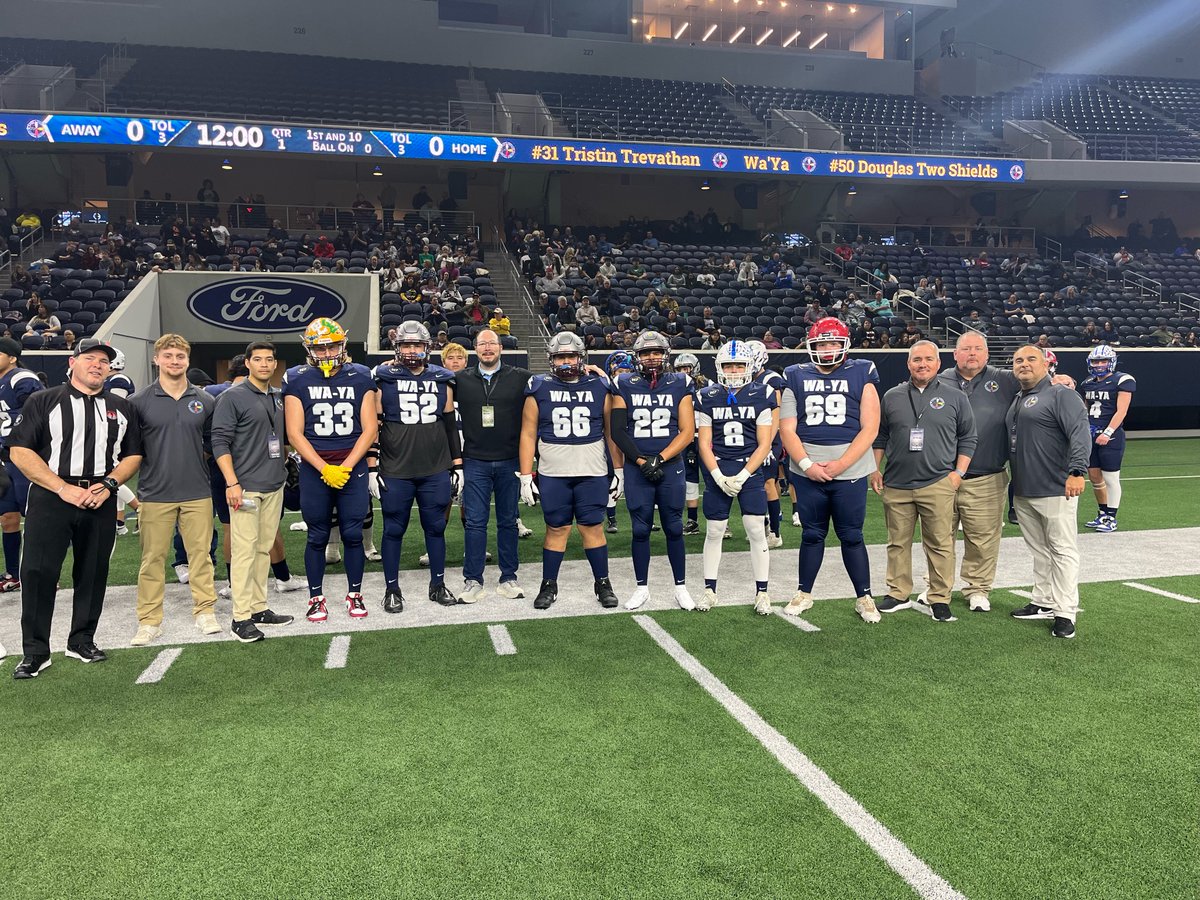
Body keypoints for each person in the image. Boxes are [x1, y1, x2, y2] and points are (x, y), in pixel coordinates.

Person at [9, 339, 143, 679]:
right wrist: (62, 488)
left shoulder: (122, 407)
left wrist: (109, 485)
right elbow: (20, 451)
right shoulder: (44, 400)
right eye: (90, 358)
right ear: (73, 362)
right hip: (52, 495)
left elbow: (133, 455)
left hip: (100, 496)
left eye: (104, 361)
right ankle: (35, 652)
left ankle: (82, 640)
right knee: (38, 572)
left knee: (93, 572)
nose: (97, 365)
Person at [779, 318, 882, 624]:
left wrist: (841, 464)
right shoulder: (795, 374)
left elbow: (870, 427)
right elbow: (787, 428)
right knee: (812, 534)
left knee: (852, 535)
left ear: (844, 345)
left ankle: (864, 596)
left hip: (850, 465)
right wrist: (807, 465)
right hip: (807, 466)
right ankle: (804, 592)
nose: (827, 349)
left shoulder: (862, 371)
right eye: (821, 343)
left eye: (833, 343)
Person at [870, 341, 977, 623]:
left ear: (938, 364)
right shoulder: (891, 396)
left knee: (940, 543)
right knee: (897, 543)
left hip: (938, 482)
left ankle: (939, 598)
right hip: (897, 483)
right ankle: (898, 593)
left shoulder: (956, 397)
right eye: (917, 359)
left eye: (929, 359)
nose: (923, 364)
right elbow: (881, 436)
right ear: (908, 364)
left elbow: (968, 437)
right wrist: (875, 469)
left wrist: (958, 473)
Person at [127, 334, 221, 645]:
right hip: (155, 493)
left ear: (188, 360)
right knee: (152, 559)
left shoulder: (205, 400)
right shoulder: (138, 401)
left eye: (180, 356)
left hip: (197, 492)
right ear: (156, 359)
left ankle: (205, 611)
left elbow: (212, 444)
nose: (174, 361)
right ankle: (149, 620)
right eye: (168, 356)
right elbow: (131, 449)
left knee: (201, 556)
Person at [283, 319, 379, 622]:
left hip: (352, 466)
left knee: (352, 533)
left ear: (343, 345)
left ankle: (354, 593)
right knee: (317, 535)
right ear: (309, 348)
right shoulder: (296, 378)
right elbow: (294, 432)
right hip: (315, 468)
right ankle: (316, 598)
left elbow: (370, 428)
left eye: (332, 346)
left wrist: (346, 467)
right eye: (320, 347)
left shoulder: (360, 375)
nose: (327, 353)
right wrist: (324, 467)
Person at [520, 331, 617, 611]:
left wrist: (619, 470)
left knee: (592, 527)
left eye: (570, 356)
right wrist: (526, 475)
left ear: (581, 357)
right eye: (560, 357)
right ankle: (549, 584)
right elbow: (527, 433)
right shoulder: (539, 386)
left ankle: (602, 583)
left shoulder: (600, 385)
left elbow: (611, 432)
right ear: (551, 359)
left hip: (591, 470)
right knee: (556, 528)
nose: (565, 362)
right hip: (554, 471)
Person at [371, 321, 462, 611]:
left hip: (435, 467)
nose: (411, 350)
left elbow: (450, 425)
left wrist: (457, 464)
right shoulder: (382, 377)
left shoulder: (442, 377)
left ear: (427, 347)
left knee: (435, 527)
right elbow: (374, 425)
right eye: (406, 345)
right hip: (396, 467)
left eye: (417, 345)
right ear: (397, 347)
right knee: (393, 528)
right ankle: (392, 589)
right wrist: (372, 467)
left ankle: (437, 584)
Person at [210, 341, 296, 643]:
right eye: (258, 359)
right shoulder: (232, 397)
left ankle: (259, 608)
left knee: (262, 549)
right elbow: (219, 441)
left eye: (269, 359)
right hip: (245, 486)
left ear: (275, 364)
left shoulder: (278, 396)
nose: (264, 364)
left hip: (274, 484)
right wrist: (232, 483)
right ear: (247, 363)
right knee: (245, 552)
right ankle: (240, 617)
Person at [1007, 346, 1091, 639]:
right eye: (1018, 360)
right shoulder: (1017, 398)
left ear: (1046, 365)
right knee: (1040, 551)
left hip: (1055, 488)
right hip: (1024, 489)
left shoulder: (1061, 395)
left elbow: (1080, 431)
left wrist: (1077, 470)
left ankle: (1065, 612)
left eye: (1031, 359)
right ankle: (1042, 601)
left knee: (1063, 551)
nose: (1024, 364)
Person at [609, 331, 696, 611]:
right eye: (646, 353)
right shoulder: (624, 383)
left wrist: (659, 459)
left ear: (665, 354)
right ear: (637, 356)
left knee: (674, 527)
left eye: (656, 352)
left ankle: (680, 587)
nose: (651, 357)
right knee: (640, 528)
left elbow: (687, 431)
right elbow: (617, 431)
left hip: (670, 466)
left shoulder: (680, 382)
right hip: (638, 467)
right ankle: (641, 588)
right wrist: (641, 461)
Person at [694, 340, 777, 614]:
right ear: (719, 367)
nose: (733, 370)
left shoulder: (762, 393)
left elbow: (764, 444)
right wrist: (718, 476)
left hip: (749, 470)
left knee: (756, 530)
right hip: (719, 468)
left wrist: (743, 475)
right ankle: (709, 590)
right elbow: (703, 443)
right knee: (714, 530)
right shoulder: (707, 395)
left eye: (738, 365)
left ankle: (762, 592)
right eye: (728, 365)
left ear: (749, 366)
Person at [454, 329, 531, 601]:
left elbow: (553, 383)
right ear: (475, 349)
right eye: (482, 344)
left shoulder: (521, 377)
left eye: (492, 343)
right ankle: (473, 579)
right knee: (475, 523)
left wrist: (592, 370)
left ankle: (508, 577)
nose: (487, 348)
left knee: (508, 522)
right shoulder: (459, 379)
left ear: (501, 347)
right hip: (475, 460)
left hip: (510, 460)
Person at [0, 336, 42, 593]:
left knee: (36, 518)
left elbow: (38, 409)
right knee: (8, 517)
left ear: (12, 357)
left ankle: (42, 573)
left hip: (23, 458)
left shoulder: (20, 377)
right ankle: (13, 574)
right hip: (4, 461)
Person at [1079, 345, 1136, 533]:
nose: (1099, 365)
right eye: (1096, 361)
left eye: (1103, 361)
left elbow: (1122, 411)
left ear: (1111, 362)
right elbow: (1085, 410)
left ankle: (1112, 517)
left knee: (1111, 478)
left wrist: (1108, 432)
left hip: (1110, 436)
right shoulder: (1087, 383)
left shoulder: (1122, 380)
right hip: (1091, 433)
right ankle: (1103, 513)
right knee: (1094, 476)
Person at [670, 352, 705, 536]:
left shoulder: (708, 387)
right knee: (690, 479)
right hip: (686, 437)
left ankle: (721, 521)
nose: (683, 372)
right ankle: (693, 520)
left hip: (706, 436)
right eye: (680, 369)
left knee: (712, 478)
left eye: (686, 368)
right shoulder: (675, 387)